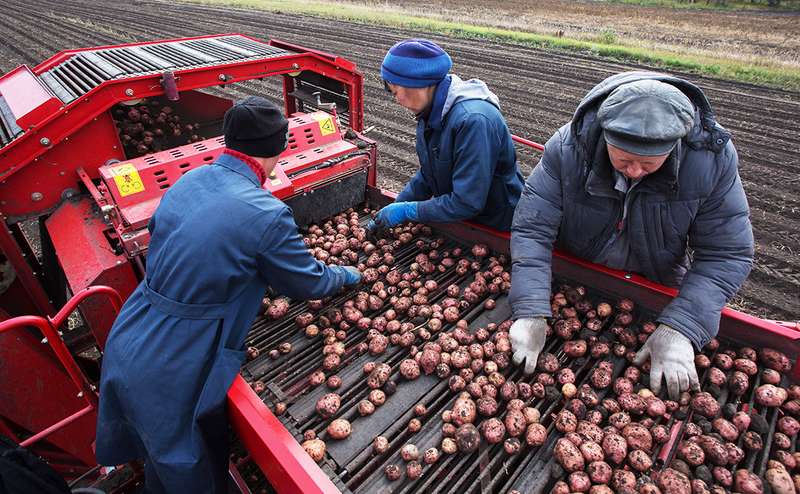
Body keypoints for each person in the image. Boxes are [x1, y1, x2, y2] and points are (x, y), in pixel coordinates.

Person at [95, 96, 361, 493]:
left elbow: (193, 247)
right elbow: (308, 282)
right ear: (278, 148)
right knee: (192, 471)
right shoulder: (265, 213)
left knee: (158, 464)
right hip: (177, 362)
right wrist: (347, 274)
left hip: (132, 333)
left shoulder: (189, 181)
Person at [508, 72, 754, 400]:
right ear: (605, 137)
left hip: (656, 281)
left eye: (648, 164)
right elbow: (532, 227)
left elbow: (727, 252)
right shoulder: (569, 148)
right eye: (623, 160)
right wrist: (530, 307)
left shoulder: (710, 162)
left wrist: (683, 326)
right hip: (578, 276)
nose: (634, 171)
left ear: (675, 146)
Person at [370, 39, 524, 232]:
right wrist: (398, 204)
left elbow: (467, 201)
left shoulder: (473, 121)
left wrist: (408, 211)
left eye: (396, 92)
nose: (397, 100)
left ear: (418, 84)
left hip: (498, 225)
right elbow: (430, 173)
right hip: (464, 218)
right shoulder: (431, 111)